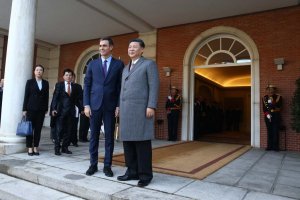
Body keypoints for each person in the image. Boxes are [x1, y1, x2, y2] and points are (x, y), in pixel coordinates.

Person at [117, 38, 159, 187]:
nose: (131, 49)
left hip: (141, 110)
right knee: (128, 143)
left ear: (142, 50)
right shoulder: (125, 68)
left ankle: (145, 175)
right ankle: (132, 171)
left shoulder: (148, 64)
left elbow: (153, 86)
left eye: (134, 47)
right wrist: (118, 107)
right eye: (129, 47)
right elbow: (122, 89)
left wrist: (151, 106)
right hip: (126, 110)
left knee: (142, 144)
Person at [84, 37, 124, 177]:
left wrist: (118, 105)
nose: (101, 48)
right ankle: (93, 165)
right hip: (94, 105)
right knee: (94, 136)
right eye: (100, 46)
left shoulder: (119, 64)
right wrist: (86, 104)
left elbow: (120, 87)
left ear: (111, 47)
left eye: (104, 45)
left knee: (109, 138)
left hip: (110, 106)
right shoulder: (92, 64)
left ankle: (107, 166)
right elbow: (87, 85)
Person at [51, 69, 83, 155]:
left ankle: (65, 148)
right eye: (67, 75)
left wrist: (81, 109)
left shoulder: (75, 87)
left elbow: (78, 99)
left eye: (70, 75)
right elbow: (55, 98)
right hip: (60, 112)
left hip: (71, 112)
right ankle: (57, 149)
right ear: (63, 76)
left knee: (68, 131)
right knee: (59, 131)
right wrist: (53, 109)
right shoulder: (59, 85)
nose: (68, 77)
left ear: (72, 77)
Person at [22, 64, 49, 156]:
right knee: (29, 129)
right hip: (31, 109)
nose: (39, 71)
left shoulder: (46, 83)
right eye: (37, 70)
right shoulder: (29, 82)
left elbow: (46, 97)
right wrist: (24, 109)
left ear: (42, 72)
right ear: (34, 72)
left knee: (38, 129)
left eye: (40, 70)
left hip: (41, 110)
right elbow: (26, 96)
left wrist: (46, 109)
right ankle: (29, 147)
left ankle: (36, 147)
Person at [262, 84, 282, 151]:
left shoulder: (278, 97)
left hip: (276, 115)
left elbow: (280, 107)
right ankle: (269, 146)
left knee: (275, 131)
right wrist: (267, 115)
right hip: (268, 115)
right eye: (268, 89)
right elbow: (264, 109)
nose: (270, 90)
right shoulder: (264, 98)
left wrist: (272, 102)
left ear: (274, 90)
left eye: (271, 89)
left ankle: (275, 147)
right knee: (269, 131)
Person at [70, 74, 83, 147]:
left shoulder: (78, 86)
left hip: (75, 108)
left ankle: (74, 141)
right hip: (67, 108)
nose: (70, 78)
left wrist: (81, 108)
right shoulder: (64, 86)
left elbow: (80, 98)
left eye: (72, 77)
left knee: (74, 125)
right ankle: (67, 140)